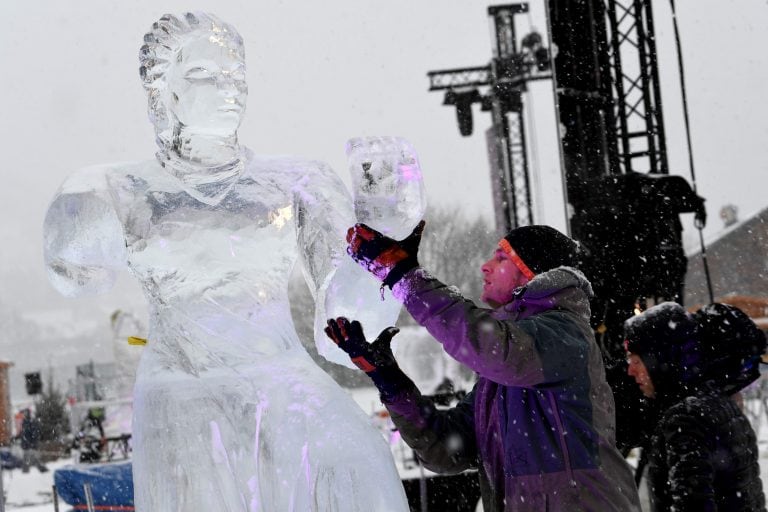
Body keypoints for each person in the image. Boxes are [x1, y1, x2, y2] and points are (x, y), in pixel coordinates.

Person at [43, 12, 415, 510]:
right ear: (164, 91)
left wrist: (385, 229)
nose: (229, 89)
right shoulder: (119, 190)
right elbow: (71, 274)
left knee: (360, 461)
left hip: (282, 379)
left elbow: (353, 323)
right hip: (184, 388)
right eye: (205, 75)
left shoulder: (298, 183)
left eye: (237, 75)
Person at [327, 223, 641, 511]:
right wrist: (388, 379)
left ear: (533, 274)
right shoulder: (503, 374)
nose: (485, 266)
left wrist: (404, 277)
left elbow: (490, 345)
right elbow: (447, 448)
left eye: (502, 258)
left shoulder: (564, 333)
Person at [625, 302, 765, 511]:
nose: (630, 371)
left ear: (660, 360)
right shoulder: (717, 400)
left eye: (637, 361)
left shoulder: (686, 420)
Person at [20, 409, 48, 473]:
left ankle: (26, 471)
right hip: (25, 444)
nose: (24, 414)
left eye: (25, 413)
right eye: (24, 413)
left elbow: (35, 433)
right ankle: (26, 471)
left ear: (28, 413)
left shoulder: (32, 421)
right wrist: (16, 438)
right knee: (30, 458)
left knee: (32, 458)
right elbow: (23, 433)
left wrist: (33, 443)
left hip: (30, 445)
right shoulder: (24, 422)